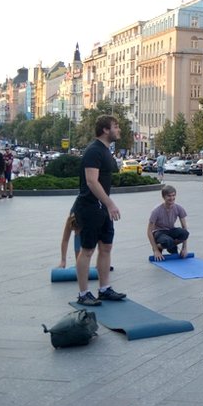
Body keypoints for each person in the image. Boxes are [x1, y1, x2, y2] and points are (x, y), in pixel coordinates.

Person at [71, 115, 126, 306]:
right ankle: (83, 293)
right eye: (116, 127)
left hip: (102, 208)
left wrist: (107, 205)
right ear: (105, 130)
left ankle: (104, 289)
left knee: (106, 246)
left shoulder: (105, 150)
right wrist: (110, 203)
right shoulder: (94, 151)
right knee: (87, 250)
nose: (119, 130)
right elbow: (91, 181)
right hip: (89, 207)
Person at [148, 184, 189, 260]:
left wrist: (184, 248)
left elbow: (184, 227)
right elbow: (149, 231)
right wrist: (156, 250)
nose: (172, 198)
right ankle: (160, 246)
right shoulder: (156, 211)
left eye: (173, 195)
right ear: (164, 197)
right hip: (159, 232)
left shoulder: (179, 208)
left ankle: (170, 245)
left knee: (185, 233)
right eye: (169, 196)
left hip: (170, 230)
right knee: (167, 241)